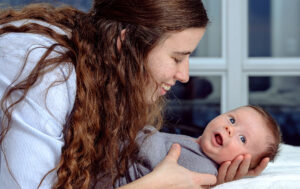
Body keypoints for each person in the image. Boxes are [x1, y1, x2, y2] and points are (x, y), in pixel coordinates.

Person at [0, 1, 269, 189]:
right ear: (126, 42)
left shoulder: (96, 68)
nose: (184, 75)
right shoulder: (45, 75)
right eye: (177, 58)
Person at [111, 105, 282, 188]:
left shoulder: (203, 168)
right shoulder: (195, 145)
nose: (230, 129)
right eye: (232, 120)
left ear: (241, 162)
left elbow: (157, 164)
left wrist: (146, 134)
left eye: (243, 138)